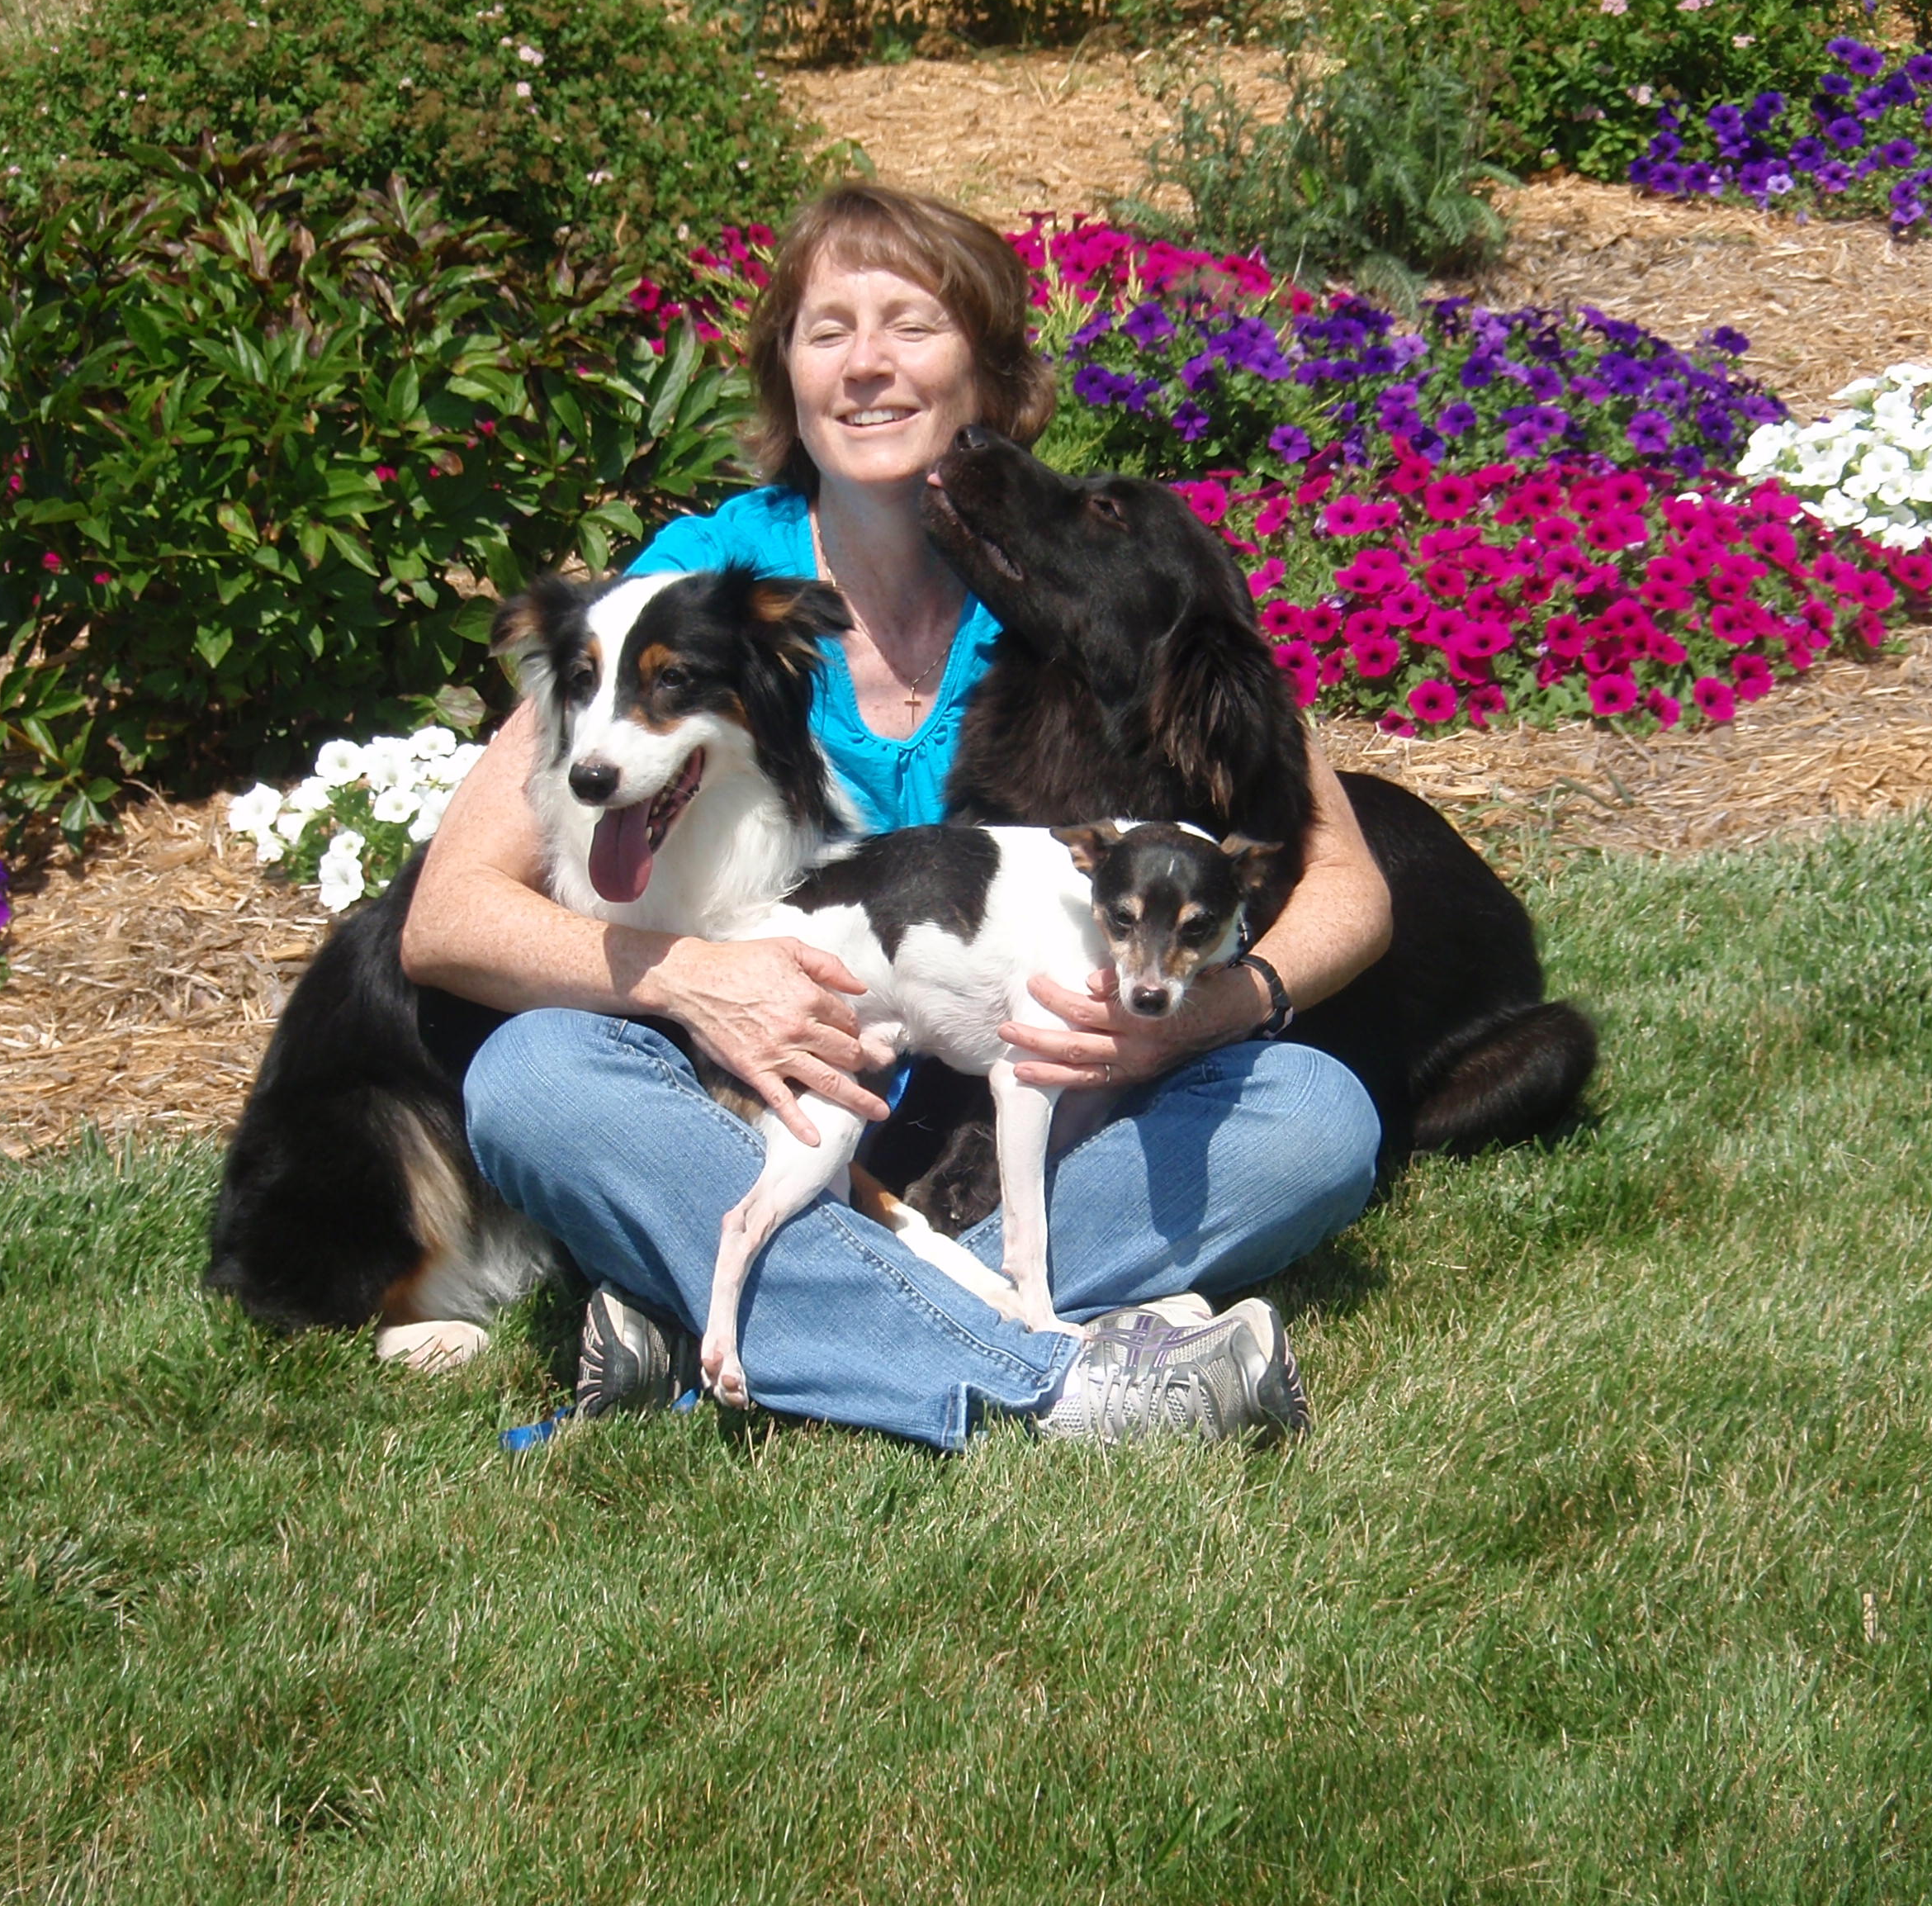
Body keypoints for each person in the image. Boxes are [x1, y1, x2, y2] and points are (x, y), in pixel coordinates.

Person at [399, 183, 1390, 1450]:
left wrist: (1215, 1009)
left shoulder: (1058, 588)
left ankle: (749, 1326)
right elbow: (450, 915)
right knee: (538, 1078)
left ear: (985, 369)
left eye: (912, 325)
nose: (868, 365)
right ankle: (1050, 1380)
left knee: (1311, 1114)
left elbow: (1350, 887)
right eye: (827, 331)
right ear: (784, 376)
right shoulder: (693, 591)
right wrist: (697, 981)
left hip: (1009, 1112)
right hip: (753, 1085)